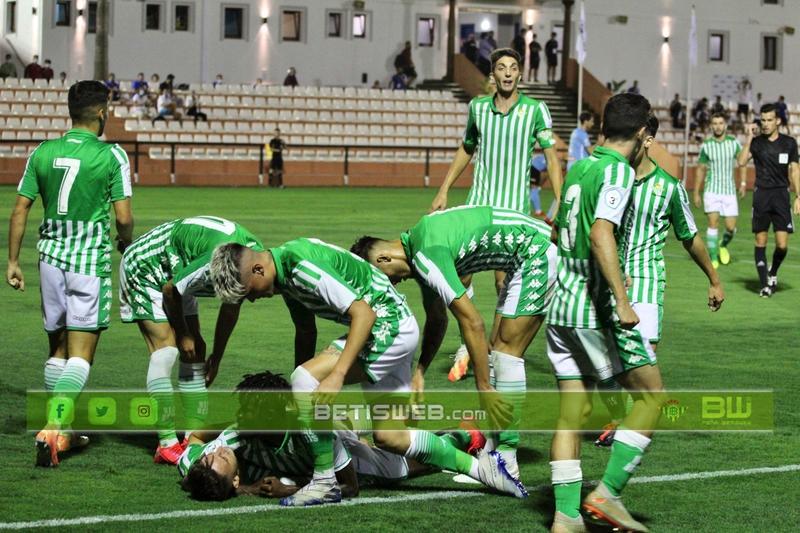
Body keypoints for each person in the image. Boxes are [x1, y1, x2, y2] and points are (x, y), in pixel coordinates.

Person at [208, 238, 528, 506]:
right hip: (396, 325)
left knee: (304, 379)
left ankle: (324, 482)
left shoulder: (301, 266)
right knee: (390, 437)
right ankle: (485, 469)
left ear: (258, 269)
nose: (250, 299)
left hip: (387, 327)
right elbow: (305, 332)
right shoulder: (286, 274)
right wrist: (305, 408)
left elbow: (364, 313)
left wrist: (334, 375)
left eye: (248, 291)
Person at [546, 93, 691, 532]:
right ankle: (607, 493)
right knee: (652, 398)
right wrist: (622, 301)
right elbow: (601, 232)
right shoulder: (617, 171)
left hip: (561, 311)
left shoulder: (581, 166)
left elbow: (557, 231)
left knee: (571, 414)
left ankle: (565, 517)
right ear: (644, 133)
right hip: (596, 310)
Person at [351, 205, 556, 479]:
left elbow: (472, 322)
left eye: (380, 278)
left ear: (384, 259)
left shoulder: (426, 255)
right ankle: (493, 452)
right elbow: (438, 319)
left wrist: (482, 386)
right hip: (523, 255)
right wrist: (420, 372)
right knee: (497, 351)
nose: (390, 286)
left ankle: (506, 461)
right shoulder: (418, 247)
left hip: (536, 251)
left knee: (507, 353)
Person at [6, 80, 134, 467]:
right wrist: (124, 240)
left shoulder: (43, 152)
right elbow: (124, 218)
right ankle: (52, 427)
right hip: (87, 263)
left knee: (57, 349)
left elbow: (20, 209)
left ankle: (63, 433)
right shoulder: (112, 155)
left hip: (49, 260)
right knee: (82, 354)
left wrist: (12, 261)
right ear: (101, 112)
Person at [430, 48, 562, 379]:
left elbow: (551, 154)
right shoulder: (477, 108)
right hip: (478, 206)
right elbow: (467, 147)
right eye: (501, 67)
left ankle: (491, 349)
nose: (507, 73)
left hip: (513, 210)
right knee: (460, 275)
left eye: (513, 68)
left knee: (507, 284)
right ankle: (467, 344)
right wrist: (444, 188)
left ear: (520, 74)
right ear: (493, 74)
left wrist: (560, 200)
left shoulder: (535, 110)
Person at [594, 113, 725, 447]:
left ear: (647, 140)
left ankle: (635, 419)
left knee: (643, 357)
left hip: (648, 282)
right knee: (608, 362)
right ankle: (644, 409)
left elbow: (690, 236)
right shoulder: (611, 179)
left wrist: (714, 278)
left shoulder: (668, 187)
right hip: (610, 281)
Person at [119, 216, 263, 464]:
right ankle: (166, 444)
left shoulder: (249, 259)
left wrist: (216, 357)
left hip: (178, 269)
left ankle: (191, 437)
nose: (252, 299)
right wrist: (184, 332)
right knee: (167, 348)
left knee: (196, 351)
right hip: (147, 265)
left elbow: (231, 307)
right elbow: (170, 290)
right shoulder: (217, 263)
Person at [179, 370, 440, 501]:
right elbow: (198, 451)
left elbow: (351, 487)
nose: (243, 419)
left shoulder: (308, 430)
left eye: (253, 413)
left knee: (399, 459)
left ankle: (457, 436)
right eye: (244, 411)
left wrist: (291, 489)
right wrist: (245, 487)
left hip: (334, 437)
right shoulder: (237, 438)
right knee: (394, 459)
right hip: (336, 430)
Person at [737, 104, 800, 297]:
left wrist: (798, 196)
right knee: (761, 241)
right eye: (763, 120)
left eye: (769, 120)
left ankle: (773, 273)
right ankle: (765, 284)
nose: (765, 124)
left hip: (781, 195)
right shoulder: (756, 143)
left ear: (778, 121)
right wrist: (749, 137)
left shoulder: (789, 143)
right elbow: (740, 161)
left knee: (782, 245)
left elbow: (795, 170)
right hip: (761, 195)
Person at [694, 113, 745, 268]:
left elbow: (742, 162)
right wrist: (696, 192)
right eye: (715, 123)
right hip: (712, 190)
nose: (718, 126)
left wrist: (743, 183)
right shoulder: (706, 145)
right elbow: (701, 169)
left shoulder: (734, 143)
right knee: (713, 223)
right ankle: (714, 257)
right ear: (711, 126)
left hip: (729, 191)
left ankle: (723, 245)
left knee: (730, 227)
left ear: (725, 125)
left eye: (720, 123)